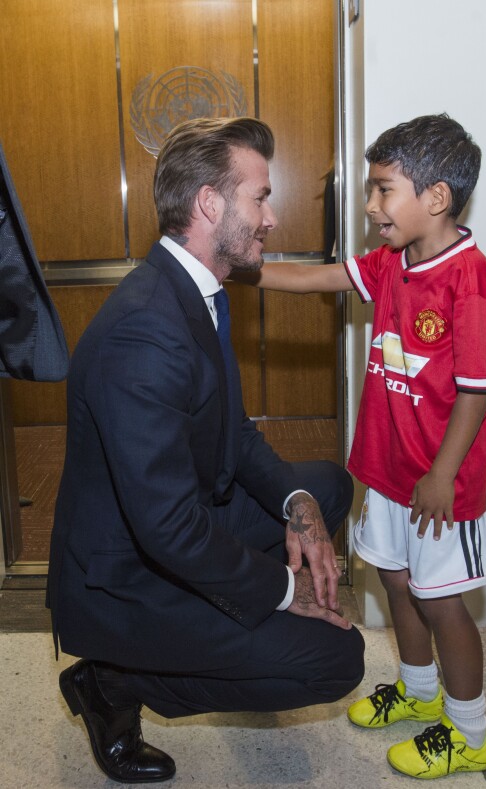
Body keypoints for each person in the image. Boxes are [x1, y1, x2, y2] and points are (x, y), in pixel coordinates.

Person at [47, 116, 364, 784]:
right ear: (210, 204)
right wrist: (283, 591)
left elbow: (235, 433)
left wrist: (298, 503)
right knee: (337, 660)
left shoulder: (198, 291)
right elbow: (167, 530)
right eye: (260, 197)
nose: (271, 217)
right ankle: (111, 680)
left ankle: (226, 616)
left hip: (180, 521)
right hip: (127, 575)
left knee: (326, 487)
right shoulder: (145, 329)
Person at [235, 114, 486, 780]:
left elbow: (478, 390)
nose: (370, 205)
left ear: (436, 197)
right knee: (395, 581)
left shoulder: (472, 280)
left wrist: (442, 474)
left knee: (441, 600)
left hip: (439, 487)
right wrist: (244, 270)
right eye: (371, 189)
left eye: (384, 189)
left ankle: (470, 731)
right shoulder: (391, 264)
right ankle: (419, 692)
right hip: (386, 474)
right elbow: (321, 279)